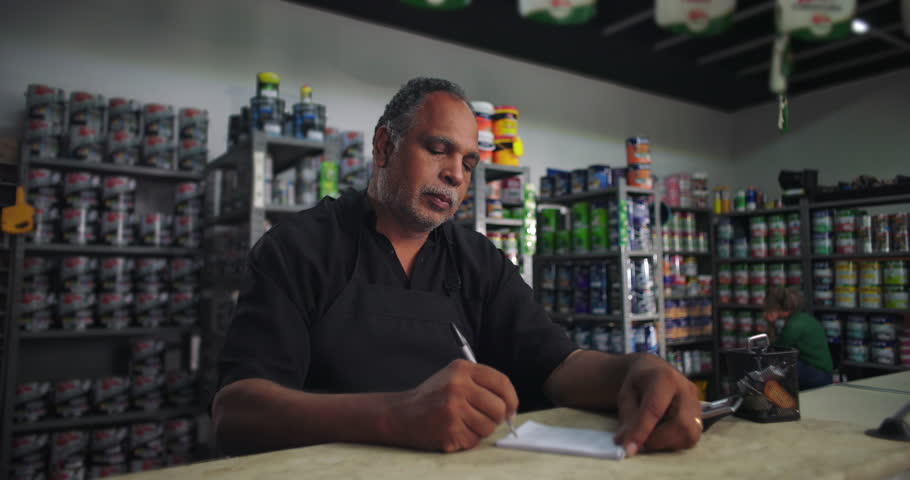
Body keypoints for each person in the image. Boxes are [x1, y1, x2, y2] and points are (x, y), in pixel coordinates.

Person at [212, 77, 702, 457]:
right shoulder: (299, 248)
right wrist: (395, 416)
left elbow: (560, 365)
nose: (454, 174)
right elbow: (236, 412)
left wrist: (634, 370)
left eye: (468, 163)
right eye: (438, 149)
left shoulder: (478, 261)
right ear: (384, 146)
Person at [764, 286, 833, 390]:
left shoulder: (793, 326)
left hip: (818, 374)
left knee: (773, 368)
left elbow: (777, 353)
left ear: (776, 308)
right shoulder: (802, 318)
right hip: (823, 372)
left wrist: (771, 324)